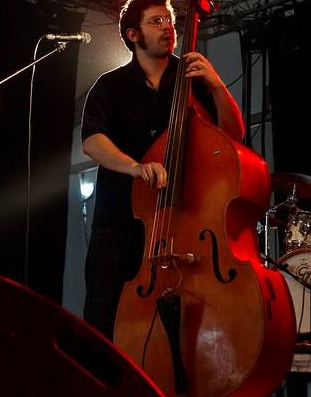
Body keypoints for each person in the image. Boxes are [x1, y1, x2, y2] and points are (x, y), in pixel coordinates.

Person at [80, 0, 245, 341]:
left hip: (181, 225)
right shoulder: (109, 86)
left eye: (169, 20)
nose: (168, 27)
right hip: (120, 225)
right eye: (156, 21)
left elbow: (234, 135)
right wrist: (135, 167)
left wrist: (216, 85)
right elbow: (93, 142)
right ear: (133, 34)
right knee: (105, 325)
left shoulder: (193, 78)